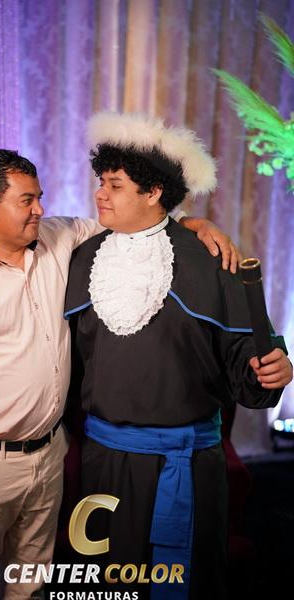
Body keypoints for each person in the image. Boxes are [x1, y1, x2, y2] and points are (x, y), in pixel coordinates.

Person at [0, 148, 241, 600]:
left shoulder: (59, 237)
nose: (40, 209)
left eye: (39, 197)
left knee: (31, 585)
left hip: (49, 457)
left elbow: (136, 219)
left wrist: (193, 223)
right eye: (27, 200)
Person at [64, 112, 293, 600]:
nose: (100, 193)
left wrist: (274, 369)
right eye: (101, 182)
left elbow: (249, 362)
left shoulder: (210, 259)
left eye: (115, 185)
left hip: (186, 466)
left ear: (153, 193)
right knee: (106, 585)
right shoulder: (81, 259)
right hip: (104, 463)